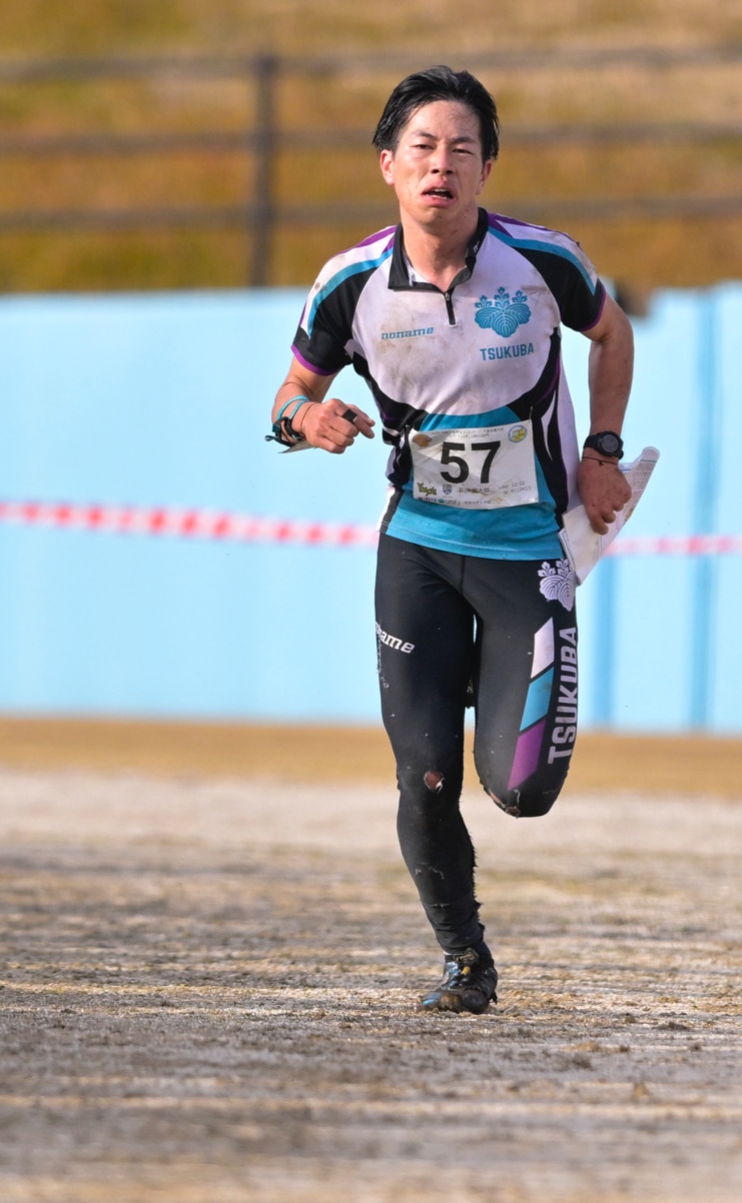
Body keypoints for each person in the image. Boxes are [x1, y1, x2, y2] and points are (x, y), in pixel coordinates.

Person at [268, 66, 635, 1013]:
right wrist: (306, 422)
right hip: (419, 550)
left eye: (462, 149)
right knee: (426, 774)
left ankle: (486, 670)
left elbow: (613, 333)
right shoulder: (349, 284)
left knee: (521, 792)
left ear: (486, 170)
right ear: (388, 165)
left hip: (527, 555)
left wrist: (601, 450)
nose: (442, 165)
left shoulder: (542, 262)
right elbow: (288, 396)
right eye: (423, 148)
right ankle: (465, 961)